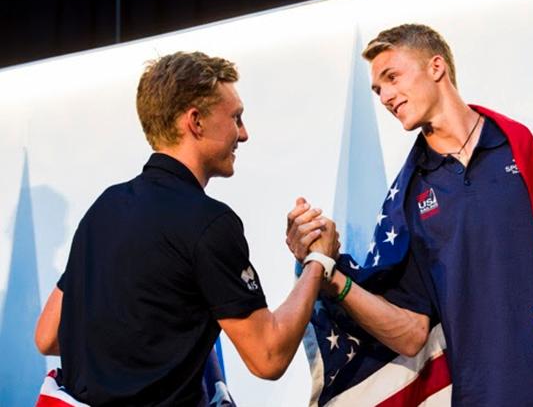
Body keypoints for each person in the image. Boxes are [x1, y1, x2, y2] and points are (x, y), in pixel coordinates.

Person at [287, 24, 533, 406]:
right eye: (378, 89)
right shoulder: (407, 199)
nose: (384, 96)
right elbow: (411, 333)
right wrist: (328, 273)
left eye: (391, 77)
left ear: (436, 67)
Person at [34, 51, 338, 406]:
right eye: (236, 118)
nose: (244, 134)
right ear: (195, 122)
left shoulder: (104, 207)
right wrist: (318, 262)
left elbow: (49, 337)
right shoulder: (210, 223)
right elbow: (268, 356)